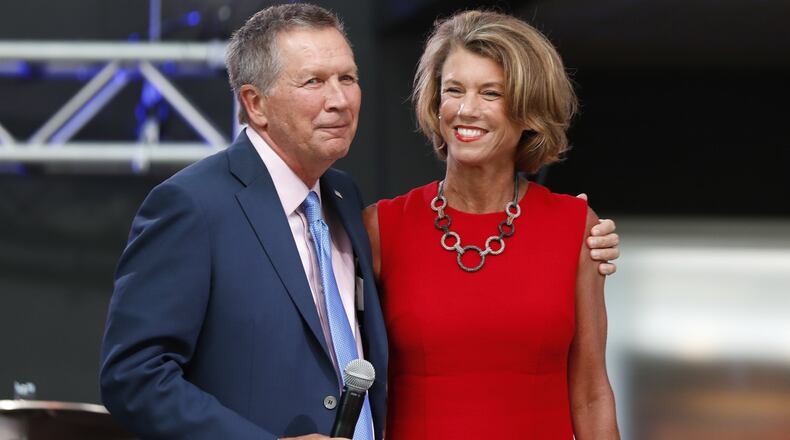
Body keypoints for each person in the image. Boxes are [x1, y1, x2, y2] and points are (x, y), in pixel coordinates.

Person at [100, 4, 618, 440]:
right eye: (314, 81)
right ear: (254, 104)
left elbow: (592, 390)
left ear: (526, 108)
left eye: (347, 78)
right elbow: (134, 376)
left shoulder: (341, 202)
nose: (339, 100)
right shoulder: (371, 224)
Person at [363, 10, 620, 439]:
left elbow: (591, 394)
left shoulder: (576, 226)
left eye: (491, 93)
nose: (467, 110)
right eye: (454, 90)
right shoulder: (381, 227)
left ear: (528, 111)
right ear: (435, 103)